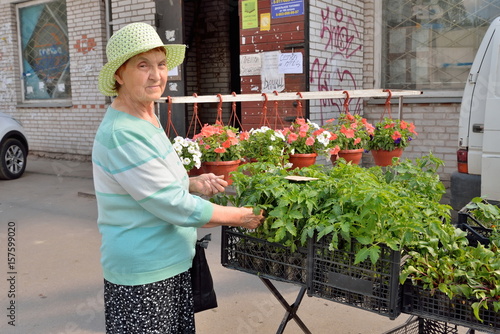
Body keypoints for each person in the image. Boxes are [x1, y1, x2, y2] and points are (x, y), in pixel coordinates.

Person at [92, 22, 264, 334]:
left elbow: (149, 183)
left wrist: (191, 183)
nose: (156, 75)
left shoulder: (146, 115)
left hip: (171, 265)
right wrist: (241, 217)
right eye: (143, 66)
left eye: (160, 64)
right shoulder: (122, 133)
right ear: (119, 74)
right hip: (145, 275)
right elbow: (174, 206)